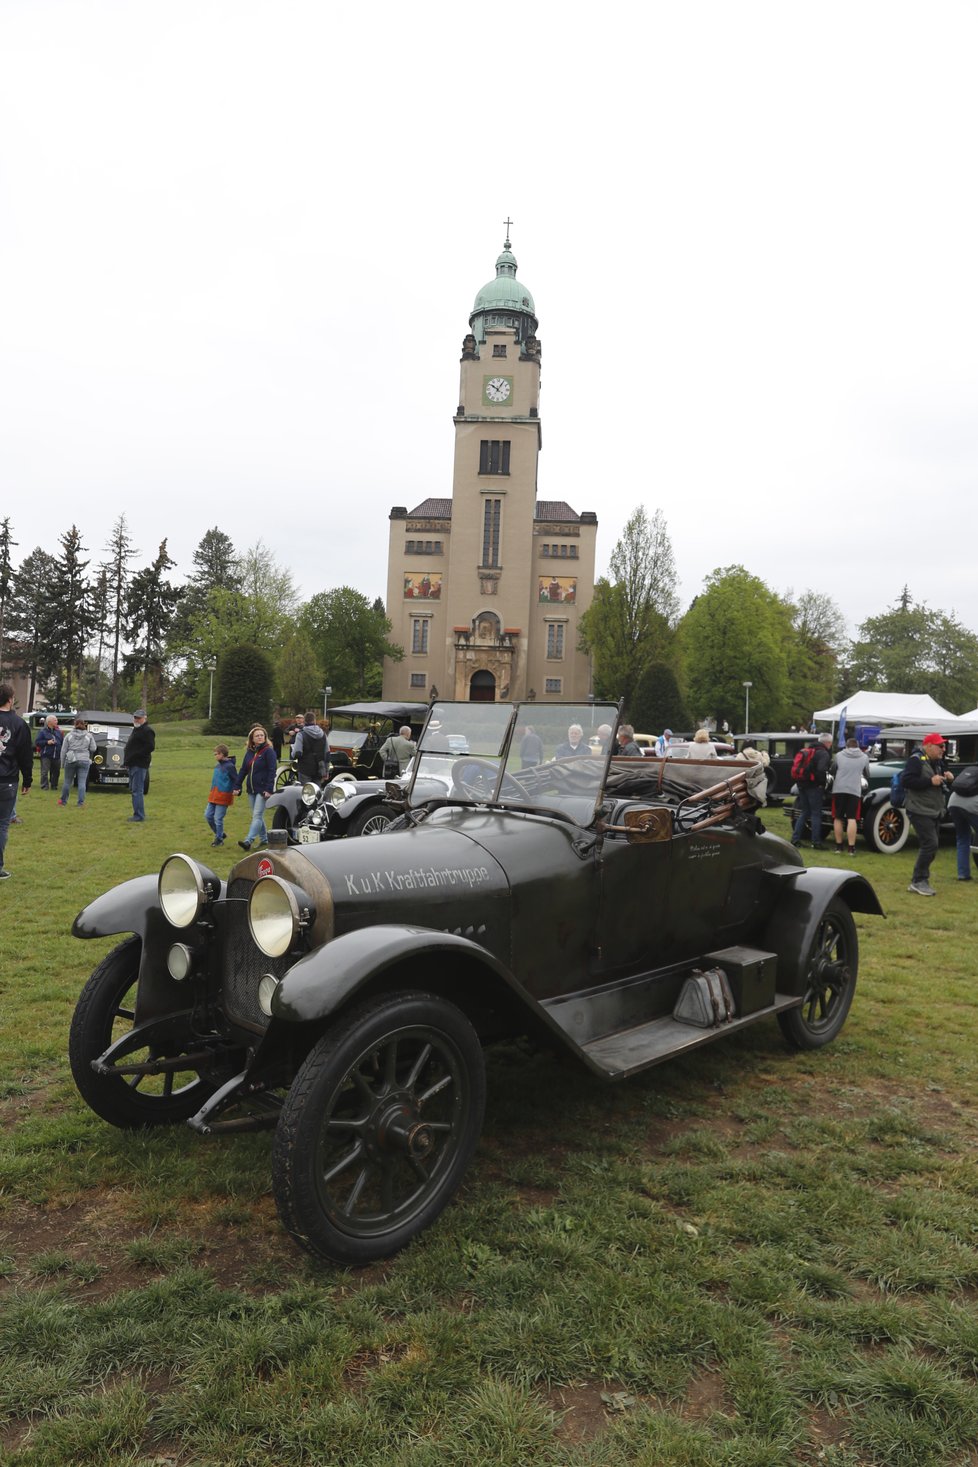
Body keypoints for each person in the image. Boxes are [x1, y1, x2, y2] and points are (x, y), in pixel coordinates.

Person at [903, 733, 954, 895]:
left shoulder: (937, 762)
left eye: (943, 746)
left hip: (933, 810)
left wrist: (950, 778)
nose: (943, 749)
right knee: (930, 844)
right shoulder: (915, 761)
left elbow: (941, 780)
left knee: (932, 845)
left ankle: (920, 879)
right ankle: (918, 881)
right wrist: (929, 782)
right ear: (929, 746)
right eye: (940, 746)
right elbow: (907, 781)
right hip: (918, 809)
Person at [0, 682, 33, 881]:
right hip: (7, 781)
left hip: (7, 777)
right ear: (11, 699)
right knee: (2, 824)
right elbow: (25, 755)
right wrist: (27, 780)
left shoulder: (19, 724)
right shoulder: (19, 724)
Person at [235, 724, 277, 851]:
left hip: (263, 788)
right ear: (252, 739)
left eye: (261, 735)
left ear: (265, 737)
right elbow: (243, 770)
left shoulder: (268, 751)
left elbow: (272, 770)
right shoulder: (250, 752)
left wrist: (269, 789)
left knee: (257, 815)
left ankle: (249, 841)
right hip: (251, 789)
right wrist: (237, 786)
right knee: (257, 815)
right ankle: (264, 839)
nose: (259, 737)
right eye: (257, 736)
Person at [791, 732, 833, 849]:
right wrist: (822, 783)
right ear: (828, 743)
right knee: (816, 814)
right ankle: (816, 842)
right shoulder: (823, 753)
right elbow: (821, 769)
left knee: (805, 812)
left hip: (801, 784)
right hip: (814, 786)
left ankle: (795, 839)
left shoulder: (808, 750)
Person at [830, 736, 870, 854]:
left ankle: (839, 846)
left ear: (846, 746)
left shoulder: (839, 755)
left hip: (839, 789)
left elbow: (833, 770)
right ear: (857, 746)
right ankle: (851, 848)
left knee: (838, 817)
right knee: (852, 818)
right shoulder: (864, 757)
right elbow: (867, 773)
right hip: (854, 790)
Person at [947, 764, 978, 882]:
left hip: (953, 803)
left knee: (962, 837)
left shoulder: (970, 770)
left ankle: (963, 874)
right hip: (972, 806)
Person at [58, 718, 97, 807]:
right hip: (84, 759)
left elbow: (63, 750)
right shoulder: (89, 736)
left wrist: (62, 763)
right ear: (84, 725)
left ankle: (63, 801)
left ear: (74, 725)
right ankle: (80, 802)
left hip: (71, 759)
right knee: (82, 782)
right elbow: (93, 748)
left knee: (67, 781)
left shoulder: (69, 735)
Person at [126, 710, 155, 823]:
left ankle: (139, 815)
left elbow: (150, 746)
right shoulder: (137, 729)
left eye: (138, 718)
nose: (136, 720)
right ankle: (137, 813)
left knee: (137, 790)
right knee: (134, 790)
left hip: (139, 764)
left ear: (144, 718)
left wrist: (136, 754)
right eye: (135, 718)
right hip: (133, 763)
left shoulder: (147, 730)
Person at [205, 743, 237, 846]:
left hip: (223, 796)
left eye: (216, 754)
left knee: (218, 819)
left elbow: (236, 780)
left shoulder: (230, 767)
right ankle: (220, 834)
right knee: (208, 816)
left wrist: (237, 790)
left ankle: (219, 840)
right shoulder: (218, 766)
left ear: (222, 754)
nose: (215, 756)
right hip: (213, 796)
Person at [292, 712, 329, 785]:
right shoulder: (323, 734)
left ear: (304, 721)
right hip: (319, 767)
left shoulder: (301, 734)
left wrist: (292, 753)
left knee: (305, 793)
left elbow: (297, 753)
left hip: (305, 768)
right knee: (317, 792)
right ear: (315, 720)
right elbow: (327, 754)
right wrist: (326, 771)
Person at [35, 715, 64, 791]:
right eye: (55, 720)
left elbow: (62, 742)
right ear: (49, 722)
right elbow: (37, 742)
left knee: (56, 772)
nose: (57, 722)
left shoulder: (58, 732)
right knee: (44, 772)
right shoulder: (42, 731)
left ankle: (54, 786)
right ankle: (44, 786)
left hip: (57, 755)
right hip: (46, 755)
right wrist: (47, 742)